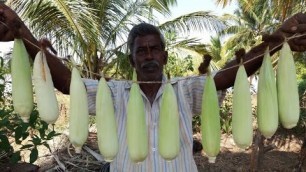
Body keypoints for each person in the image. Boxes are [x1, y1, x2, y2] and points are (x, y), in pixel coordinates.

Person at [1, 3, 306, 172]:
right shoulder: (113, 93)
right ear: (132, 59)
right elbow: (68, 82)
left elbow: (225, 77)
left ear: (164, 54)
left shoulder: (187, 92)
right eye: (140, 51)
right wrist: (21, 33)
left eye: (154, 49)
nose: (148, 56)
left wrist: (277, 41)